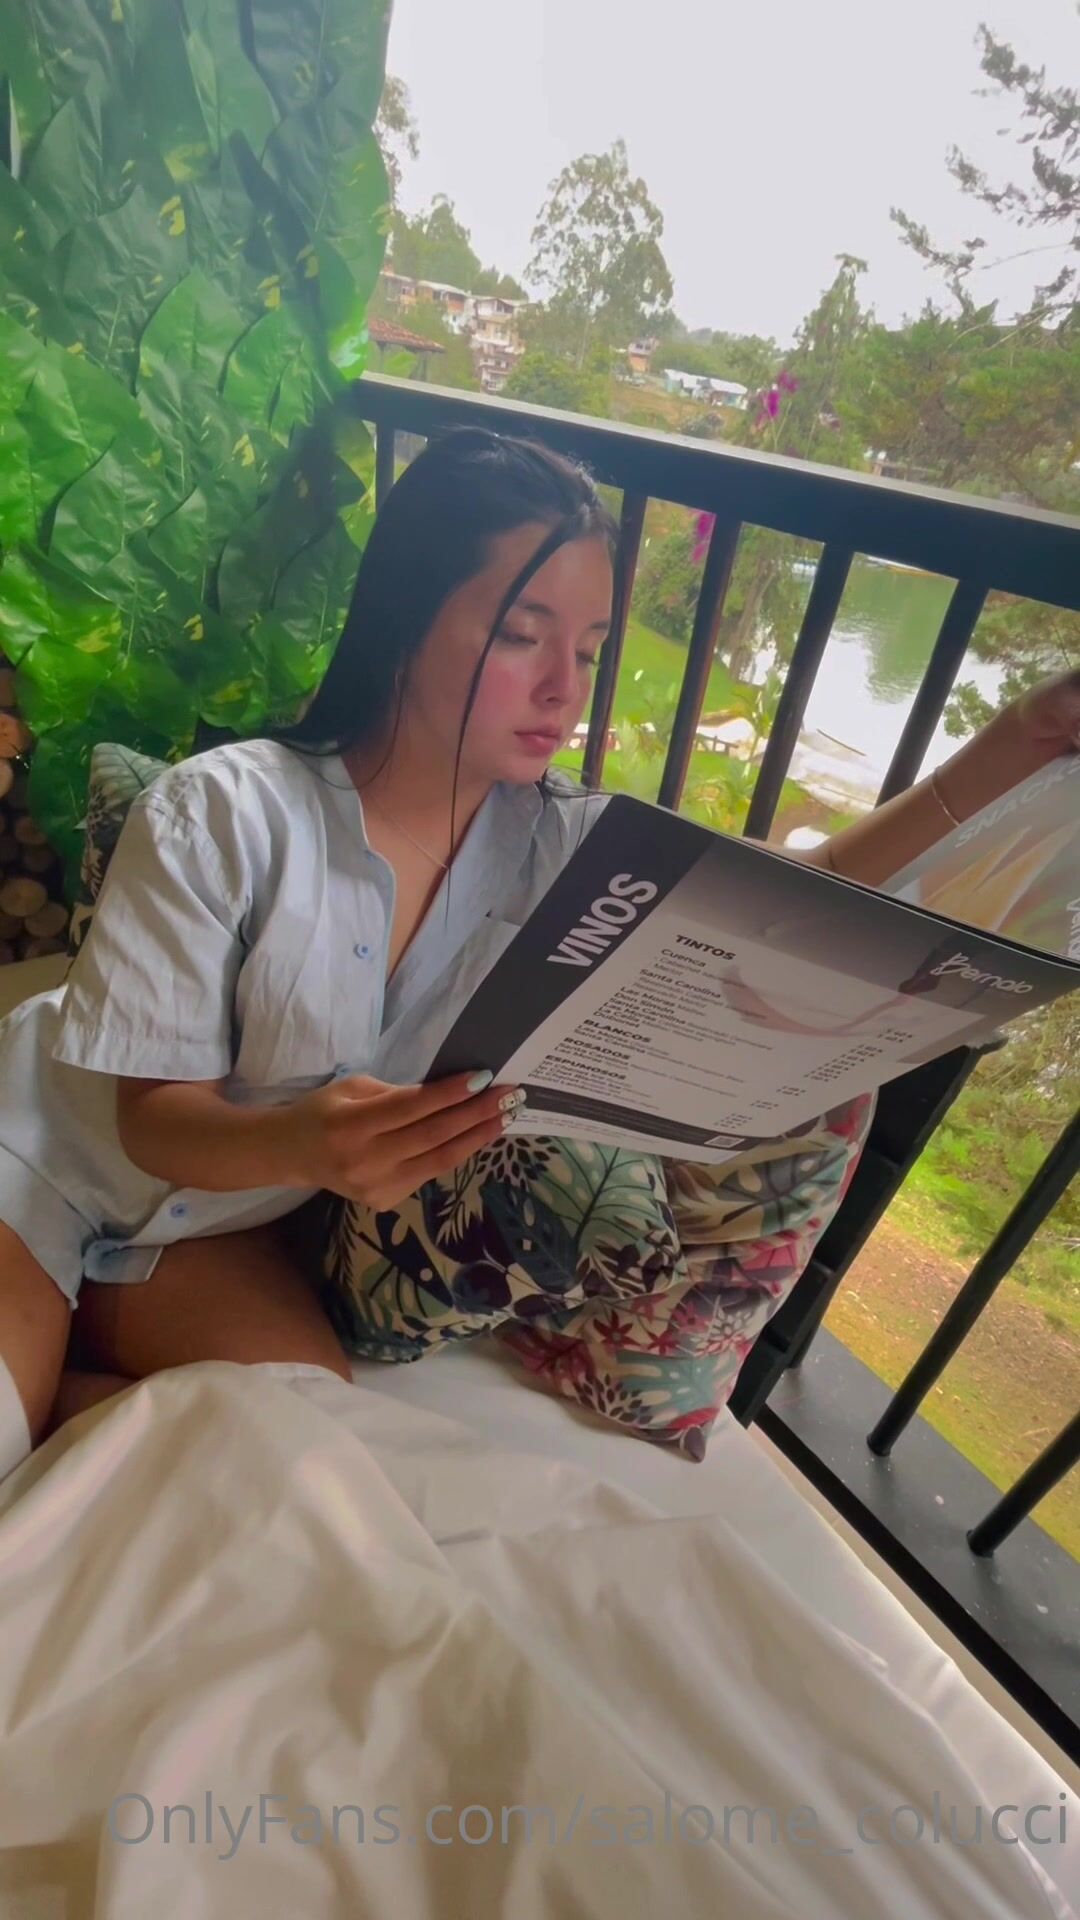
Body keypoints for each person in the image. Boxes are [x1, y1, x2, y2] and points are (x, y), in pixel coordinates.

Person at [0, 427, 1077, 1484]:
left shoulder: (564, 848)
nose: (566, 686)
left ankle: (49, 1398)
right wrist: (308, 1142)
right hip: (47, 1160)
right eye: (523, 635)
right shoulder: (222, 814)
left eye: (592, 650)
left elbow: (793, 893)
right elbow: (151, 1120)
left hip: (214, 1231)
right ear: (406, 617)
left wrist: (1016, 744)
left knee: (302, 1470)